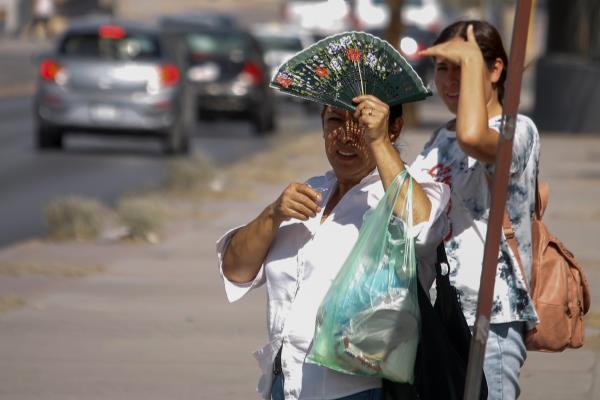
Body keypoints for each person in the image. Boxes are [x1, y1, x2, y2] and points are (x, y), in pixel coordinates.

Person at [216, 96, 449, 400]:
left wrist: (378, 141)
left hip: (358, 389)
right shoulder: (312, 192)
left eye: (362, 122)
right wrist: (273, 214)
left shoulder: (408, 192)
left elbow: (424, 227)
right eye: (335, 121)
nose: (347, 135)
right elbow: (236, 270)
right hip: (284, 385)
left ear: (394, 128)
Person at [413, 20, 540, 399]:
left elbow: (474, 137)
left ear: (496, 69)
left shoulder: (517, 130)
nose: (450, 81)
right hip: (438, 312)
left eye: (463, 68)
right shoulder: (439, 138)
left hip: (489, 317)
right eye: (443, 68)